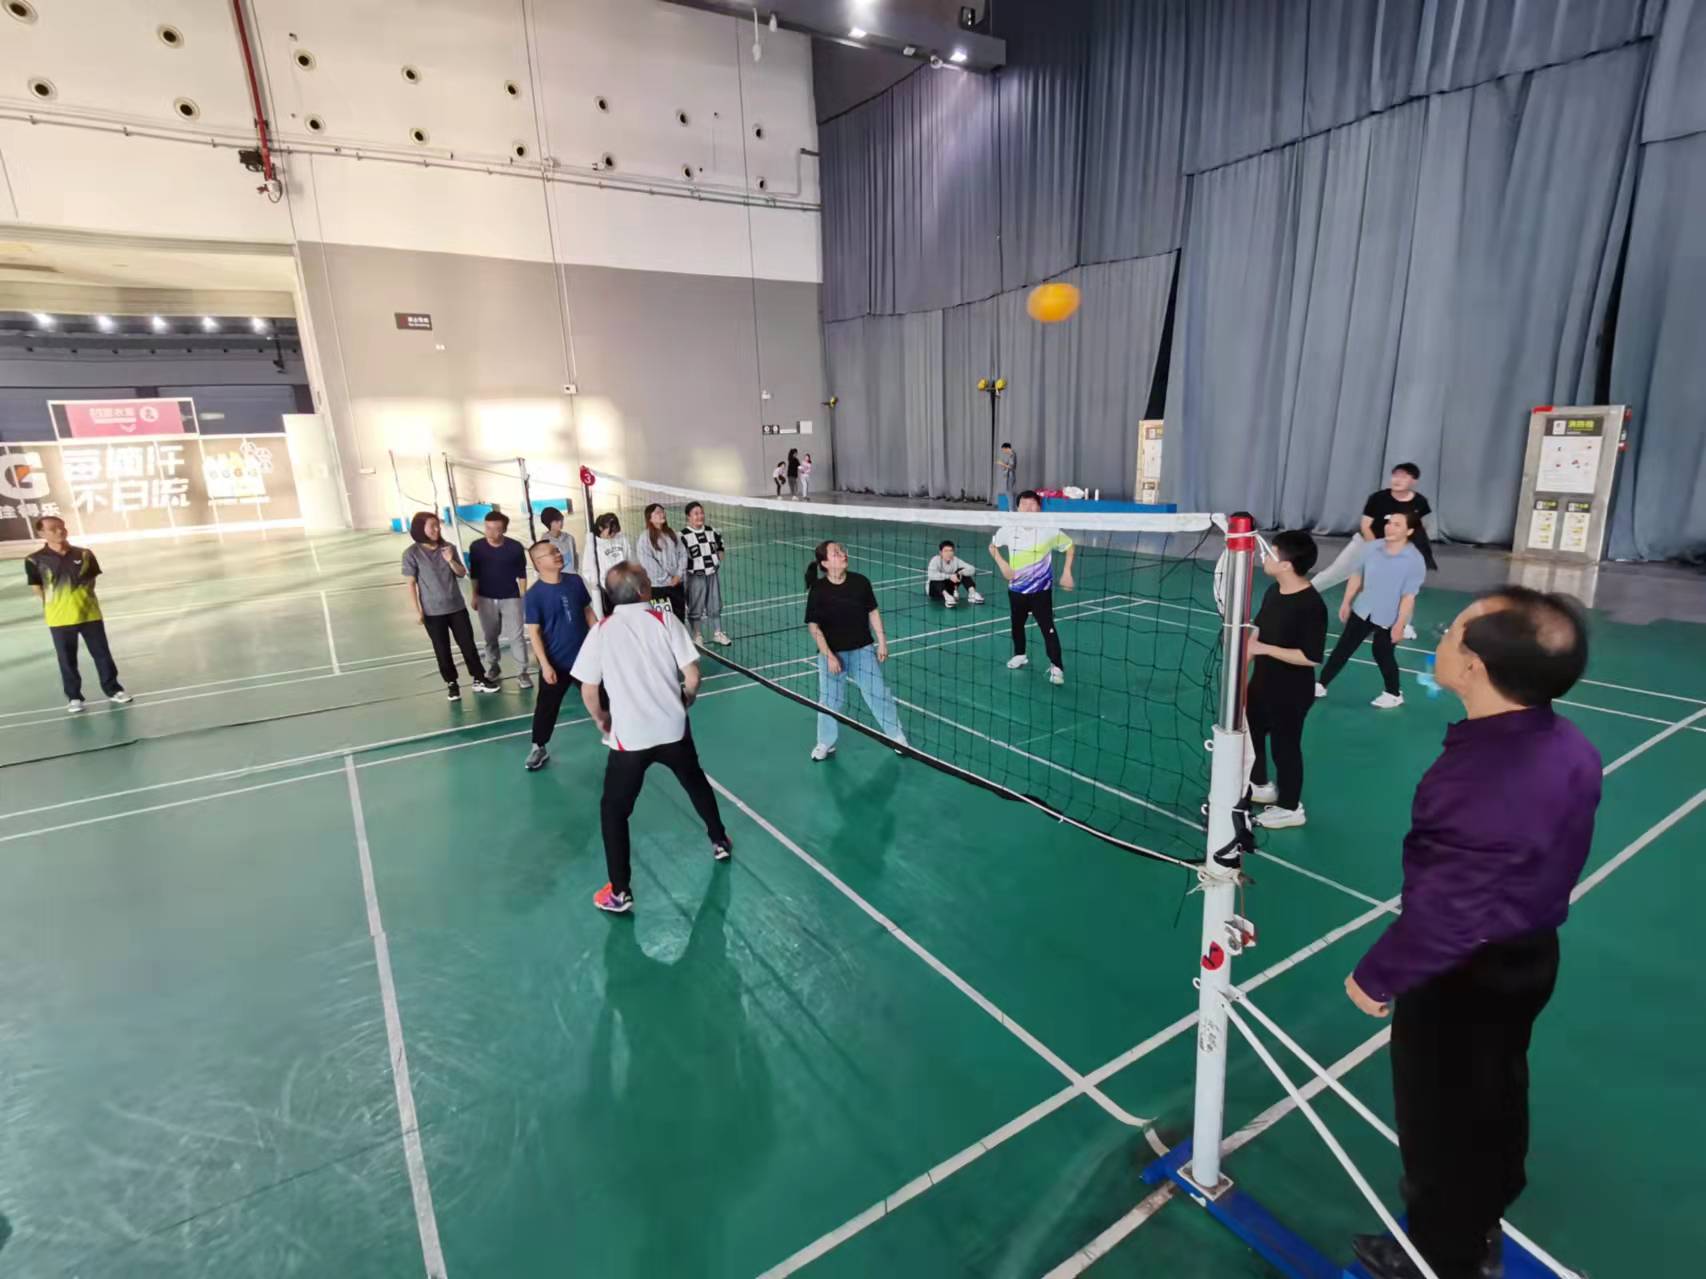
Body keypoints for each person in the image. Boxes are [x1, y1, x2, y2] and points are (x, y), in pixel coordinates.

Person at [1344, 588, 1600, 1279]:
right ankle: (1483, 1216)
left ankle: (1444, 1255)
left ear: (1474, 667)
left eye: (1453, 631)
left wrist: (1377, 973)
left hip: (1464, 974)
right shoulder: (1570, 745)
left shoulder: (1478, 781)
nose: (1442, 638)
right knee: (1495, 1092)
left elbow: (1454, 912)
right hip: (1530, 955)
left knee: (1439, 1122)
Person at [571, 562, 732, 914]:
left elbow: (588, 689)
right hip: (673, 729)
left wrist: (601, 720)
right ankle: (719, 840)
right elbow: (692, 675)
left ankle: (620, 892)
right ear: (644, 589)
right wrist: (686, 699)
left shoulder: (601, 630)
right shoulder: (665, 620)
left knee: (614, 812)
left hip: (631, 739)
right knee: (695, 782)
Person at [1244, 531, 1328, 829]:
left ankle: (1291, 808)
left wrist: (1264, 649)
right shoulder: (1273, 591)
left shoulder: (1311, 605)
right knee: (1252, 736)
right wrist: (1245, 657)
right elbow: (1258, 629)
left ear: (1286, 565)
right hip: (1262, 683)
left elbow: (1310, 657)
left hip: (1291, 692)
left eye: (1271, 552)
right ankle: (1260, 785)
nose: (1264, 556)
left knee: (1285, 749)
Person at [804, 540, 907, 761]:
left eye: (842, 551)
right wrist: (829, 655)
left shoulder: (860, 582)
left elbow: (873, 611)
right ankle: (825, 742)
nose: (843, 554)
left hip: (863, 651)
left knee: (878, 693)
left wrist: (882, 641)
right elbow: (814, 627)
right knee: (829, 699)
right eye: (836, 553)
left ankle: (896, 736)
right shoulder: (818, 590)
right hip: (832, 654)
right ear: (825, 563)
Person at [1314, 464, 1438, 642]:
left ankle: (1403, 624)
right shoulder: (1378, 498)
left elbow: (1420, 527)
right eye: (1395, 475)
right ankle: (1296, 596)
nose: (1398, 480)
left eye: (1404, 476)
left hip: (1396, 550)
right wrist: (1376, 550)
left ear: (1414, 481)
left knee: (1401, 589)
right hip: (1365, 544)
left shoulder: (1420, 502)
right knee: (1334, 574)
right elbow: (1366, 525)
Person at [1317, 509, 1425, 709]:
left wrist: (1400, 624)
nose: (1390, 527)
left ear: (1409, 531)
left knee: (1382, 653)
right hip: (1363, 608)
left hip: (1390, 615)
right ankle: (1321, 684)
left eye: (1397, 525)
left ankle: (1393, 693)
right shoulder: (1371, 548)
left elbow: (1408, 596)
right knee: (1343, 647)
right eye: (1389, 523)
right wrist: (1346, 601)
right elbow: (1357, 575)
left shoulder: (1414, 560)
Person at [24, 514, 133, 714]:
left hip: (90, 615)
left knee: (102, 654)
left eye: (62, 527)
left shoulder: (84, 554)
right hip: (59, 618)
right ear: (41, 533)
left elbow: (92, 580)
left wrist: (83, 599)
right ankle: (74, 697)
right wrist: (55, 604)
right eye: (53, 528)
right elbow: (37, 587)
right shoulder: (34, 559)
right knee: (67, 659)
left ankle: (114, 690)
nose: (60, 531)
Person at [401, 511, 499, 701]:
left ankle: (479, 678)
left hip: (456, 607)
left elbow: (461, 573)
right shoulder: (411, 554)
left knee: (468, 645)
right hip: (432, 611)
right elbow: (411, 584)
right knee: (442, 649)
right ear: (421, 528)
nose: (437, 529)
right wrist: (417, 611)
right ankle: (452, 683)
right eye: (432, 526)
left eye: (437, 525)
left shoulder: (448, 547)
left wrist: (450, 560)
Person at [521, 539, 597, 771]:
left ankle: (619, 733)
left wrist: (601, 640)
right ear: (538, 563)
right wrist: (545, 665)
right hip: (557, 663)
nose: (558, 554)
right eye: (551, 553)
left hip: (585, 658)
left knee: (605, 697)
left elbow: (587, 612)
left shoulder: (575, 581)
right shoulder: (534, 595)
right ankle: (538, 746)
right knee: (547, 707)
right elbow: (534, 633)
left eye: (557, 550)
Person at [990, 490, 1075, 686]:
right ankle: (1020, 655)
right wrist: (1003, 565)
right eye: (1024, 504)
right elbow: (992, 546)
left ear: (1039, 508)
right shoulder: (1009, 529)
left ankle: (1057, 667)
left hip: (1041, 592)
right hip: (1016, 590)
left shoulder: (1049, 530)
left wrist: (1067, 571)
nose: (1028, 508)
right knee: (1016, 625)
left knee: (1048, 629)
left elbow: (1069, 546)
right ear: (1018, 508)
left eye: (1032, 504)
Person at [467, 510, 533, 689]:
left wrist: (522, 596)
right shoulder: (476, 547)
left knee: (516, 636)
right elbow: (474, 574)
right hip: (485, 598)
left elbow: (522, 574)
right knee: (490, 636)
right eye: (487, 528)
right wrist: (474, 596)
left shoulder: (515, 547)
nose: (490, 532)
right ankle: (493, 665)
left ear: (503, 530)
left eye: (495, 529)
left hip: (511, 597)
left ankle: (522, 672)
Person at [681, 500, 732, 646]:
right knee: (695, 606)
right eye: (696, 513)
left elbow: (721, 548)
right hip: (695, 577)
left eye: (701, 513)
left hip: (712, 575)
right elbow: (681, 558)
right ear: (688, 517)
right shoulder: (683, 536)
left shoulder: (712, 531)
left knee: (715, 604)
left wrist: (717, 560)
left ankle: (718, 633)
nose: (700, 516)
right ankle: (697, 635)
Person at [637, 502, 687, 622]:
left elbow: (683, 554)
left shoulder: (672, 534)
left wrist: (678, 575)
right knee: (661, 621)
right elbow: (648, 563)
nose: (662, 514)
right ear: (650, 518)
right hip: (658, 588)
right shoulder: (644, 538)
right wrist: (668, 579)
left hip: (677, 585)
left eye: (663, 511)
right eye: (658, 512)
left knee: (679, 620)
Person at [581, 511, 632, 620]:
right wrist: (601, 584)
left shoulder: (621, 538)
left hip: (623, 586)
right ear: (600, 528)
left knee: (627, 616)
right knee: (611, 618)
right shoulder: (593, 543)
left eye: (615, 531)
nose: (613, 535)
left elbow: (628, 558)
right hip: (606, 590)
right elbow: (587, 570)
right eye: (610, 531)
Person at [926, 539, 984, 609]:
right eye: (946, 551)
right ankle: (947, 598)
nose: (949, 553)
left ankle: (972, 594)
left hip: (950, 589)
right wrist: (950, 576)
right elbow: (931, 575)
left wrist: (961, 572)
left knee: (962, 571)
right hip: (934, 591)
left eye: (951, 551)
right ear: (940, 553)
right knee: (936, 579)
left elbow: (972, 569)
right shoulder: (935, 560)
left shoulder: (955, 560)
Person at [539, 506, 577, 575]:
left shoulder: (570, 538)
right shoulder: (544, 543)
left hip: (572, 577)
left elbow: (575, 560)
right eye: (557, 521)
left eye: (561, 520)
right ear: (549, 523)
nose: (560, 523)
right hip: (555, 578)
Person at [996, 441, 1017, 506]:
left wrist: (1002, 463)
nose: (1003, 451)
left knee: (1009, 493)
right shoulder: (1012, 454)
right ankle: (1011, 508)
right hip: (1009, 475)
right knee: (1008, 492)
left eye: (1003, 450)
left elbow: (1011, 467)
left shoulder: (1012, 454)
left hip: (1010, 476)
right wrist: (1004, 463)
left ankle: (1011, 509)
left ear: (1007, 448)